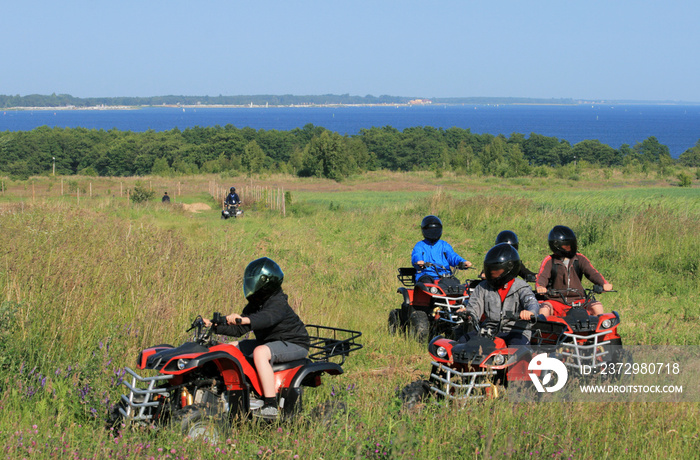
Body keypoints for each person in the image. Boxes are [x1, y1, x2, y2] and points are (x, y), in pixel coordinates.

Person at [203, 257, 309, 419]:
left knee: (260, 352)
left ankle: (270, 404)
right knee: (229, 348)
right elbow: (240, 329)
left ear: (265, 283)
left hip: (294, 342)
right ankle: (220, 388)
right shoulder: (256, 303)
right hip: (270, 342)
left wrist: (244, 319)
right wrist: (212, 325)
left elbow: (267, 318)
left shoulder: (278, 302)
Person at [457, 243, 538, 346]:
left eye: (497, 271)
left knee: (517, 350)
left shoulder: (521, 287)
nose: (493, 274)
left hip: (515, 332)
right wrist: (467, 314)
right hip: (488, 330)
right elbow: (474, 308)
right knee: (462, 343)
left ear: (509, 269)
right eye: (490, 271)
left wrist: (530, 312)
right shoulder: (482, 287)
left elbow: (531, 302)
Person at [535, 225, 613, 316]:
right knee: (544, 309)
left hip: (579, 301)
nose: (570, 248)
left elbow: (593, 273)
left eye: (571, 245)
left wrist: (604, 284)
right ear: (557, 246)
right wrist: (540, 287)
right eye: (566, 246)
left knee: (597, 306)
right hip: (555, 301)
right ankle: (545, 330)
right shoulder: (549, 261)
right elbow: (542, 277)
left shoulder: (580, 258)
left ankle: (597, 330)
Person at [411, 215, 472, 284]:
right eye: (430, 231)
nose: (433, 233)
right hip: (426, 274)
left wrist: (463, 262)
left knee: (456, 284)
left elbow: (452, 256)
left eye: (435, 231)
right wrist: (419, 261)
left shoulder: (444, 245)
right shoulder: (420, 245)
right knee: (426, 284)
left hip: (445, 275)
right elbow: (416, 255)